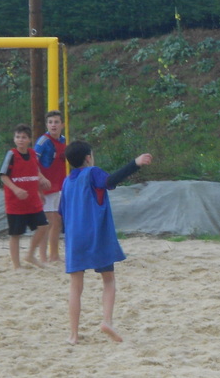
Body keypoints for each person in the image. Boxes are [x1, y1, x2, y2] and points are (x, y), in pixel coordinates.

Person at [60, 140, 153, 344]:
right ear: (88, 158)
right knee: (108, 280)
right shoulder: (92, 173)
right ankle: (107, 322)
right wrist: (135, 163)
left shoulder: (66, 182)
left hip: (75, 239)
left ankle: (73, 335)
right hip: (96, 236)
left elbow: (62, 213)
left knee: (75, 287)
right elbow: (111, 181)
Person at [0, 123, 51, 269]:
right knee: (15, 234)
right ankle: (17, 266)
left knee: (43, 226)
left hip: (32, 200)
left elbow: (35, 171)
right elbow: (3, 176)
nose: (20, 140)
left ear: (29, 140)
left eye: (23, 137)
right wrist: (16, 189)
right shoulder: (12, 155)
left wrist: (41, 186)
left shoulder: (33, 154)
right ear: (14, 139)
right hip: (15, 202)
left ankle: (30, 255)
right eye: (18, 137)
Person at [35, 109, 68, 263]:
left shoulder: (64, 141)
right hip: (46, 188)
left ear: (62, 124)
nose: (53, 125)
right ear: (47, 125)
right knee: (49, 223)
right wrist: (41, 179)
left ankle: (54, 255)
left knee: (57, 223)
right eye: (50, 122)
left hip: (60, 186)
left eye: (56, 122)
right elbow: (33, 163)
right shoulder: (43, 141)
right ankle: (44, 257)